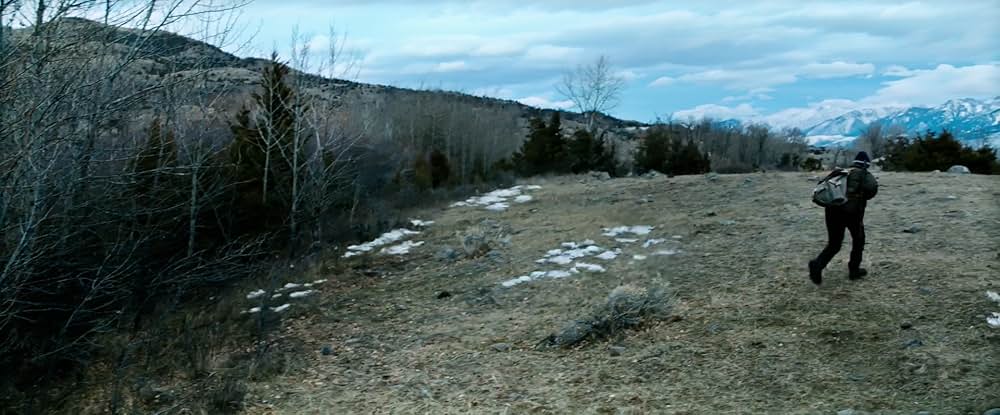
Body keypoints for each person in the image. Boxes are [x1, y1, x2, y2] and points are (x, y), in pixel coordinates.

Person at [808, 151, 879, 285]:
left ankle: (817, 265)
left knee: (834, 244)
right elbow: (873, 190)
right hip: (852, 213)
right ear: (866, 164)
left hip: (832, 210)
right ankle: (854, 270)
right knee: (858, 240)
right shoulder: (864, 174)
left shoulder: (841, 173)